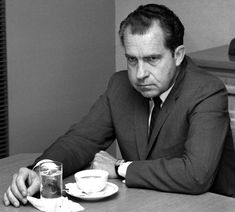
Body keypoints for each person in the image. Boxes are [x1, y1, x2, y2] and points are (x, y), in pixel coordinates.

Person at [3, 3, 235, 207]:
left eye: (152, 59)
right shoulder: (119, 86)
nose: (140, 74)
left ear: (178, 55)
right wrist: (42, 172)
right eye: (132, 59)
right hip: (145, 201)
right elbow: (81, 140)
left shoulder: (207, 91)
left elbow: (196, 174)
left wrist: (119, 168)